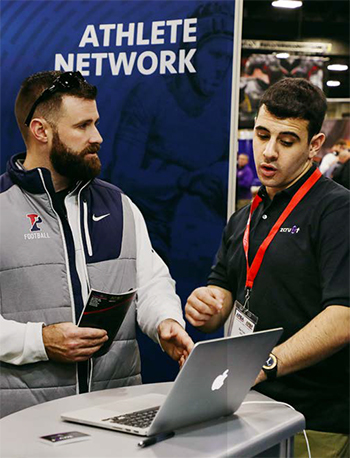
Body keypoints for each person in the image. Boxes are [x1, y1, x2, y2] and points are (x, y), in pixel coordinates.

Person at [0, 70, 194, 418]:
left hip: (114, 420)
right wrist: (40, 341)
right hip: (22, 426)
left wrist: (166, 321)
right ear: (41, 130)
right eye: (83, 126)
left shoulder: (120, 206)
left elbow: (151, 283)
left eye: (96, 123)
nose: (98, 137)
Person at [185, 78, 349, 457]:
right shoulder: (246, 216)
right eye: (262, 135)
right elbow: (224, 290)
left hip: (315, 420)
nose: (268, 152)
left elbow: (343, 317)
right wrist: (208, 304)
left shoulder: (337, 211)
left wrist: (267, 363)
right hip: (248, 409)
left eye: (286, 141)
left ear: (315, 146)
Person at [106, 2, 234, 264]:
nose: (222, 68)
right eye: (215, 56)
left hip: (200, 242)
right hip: (144, 232)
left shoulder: (226, 109)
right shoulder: (150, 96)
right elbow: (121, 176)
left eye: (228, 59)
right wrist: (184, 181)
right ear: (191, 52)